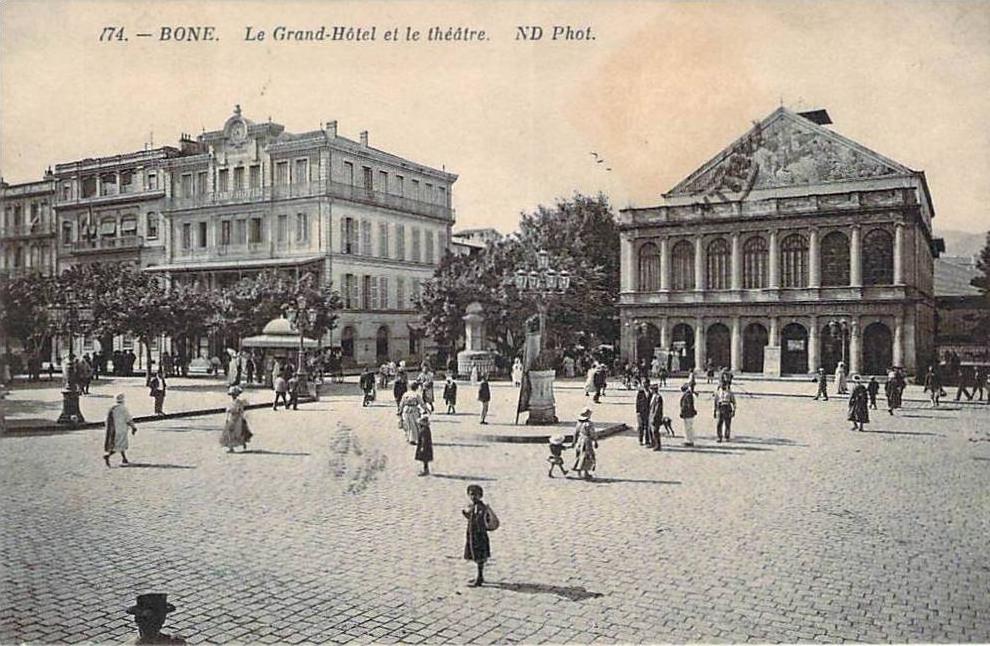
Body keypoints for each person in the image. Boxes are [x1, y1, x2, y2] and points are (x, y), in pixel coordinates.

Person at [462, 484, 492, 587]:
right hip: (473, 534)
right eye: (471, 494)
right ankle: (480, 576)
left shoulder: (480, 507)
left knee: (479, 557)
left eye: (476, 495)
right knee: (477, 556)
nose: (473, 497)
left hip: (478, 535)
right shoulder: (474, 506)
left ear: (480, 496)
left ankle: (479, 578)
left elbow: (480, 520)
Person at [103, 393, 137, 467]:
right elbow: (128, 419)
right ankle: (108, 455)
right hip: (121, 430)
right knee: (119, 445)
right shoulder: (123, 408)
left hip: (113, 430)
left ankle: (124, 458)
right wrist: (133, 427)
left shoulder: (111, 408)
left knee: (120, 444)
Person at [220, 385, 252, 453]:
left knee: (236, 432)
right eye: (232, 395)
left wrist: (239, 414)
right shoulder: (232, 402)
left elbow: (240, 410)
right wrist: (227, 418)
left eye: (234, 395)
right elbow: (228, 411)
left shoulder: (238, 402)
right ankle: (232, 447)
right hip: (232, 418)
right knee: (231, 432)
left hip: (237, 419)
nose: (233, 396)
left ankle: (238, 444)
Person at [571, 407, 598, 480]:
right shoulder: (589, 424)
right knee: (587, 456)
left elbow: (575, 433)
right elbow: (592, 433)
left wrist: (574, 442)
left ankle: (579, 471)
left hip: (580, 440)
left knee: (579, 455)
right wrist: (595, 441)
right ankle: (585, 472)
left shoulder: (578, 423)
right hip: (587, 441)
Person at [648, 383, 664, 451]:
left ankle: (658, 445)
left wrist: (654, 417)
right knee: (651, 431)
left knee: (655, 431)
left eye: (652, 389)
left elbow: (658, 409)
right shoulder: (653, 396)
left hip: (656, 417)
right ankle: (653, 443)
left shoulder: (658, 397)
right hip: (651, 415)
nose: (651, 390)